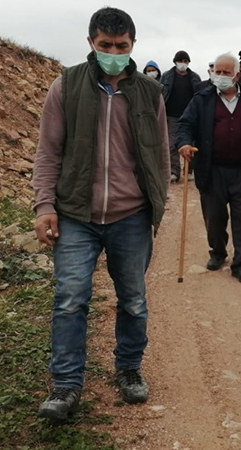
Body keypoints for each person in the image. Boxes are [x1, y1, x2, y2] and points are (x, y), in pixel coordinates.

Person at [33, 7, 170, 420]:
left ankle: (129, 370)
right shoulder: (67, 85)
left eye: (122, 46)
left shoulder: (149, 92)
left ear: (132, 45)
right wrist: (44, 206)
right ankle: (66, 385)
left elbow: (159, 154)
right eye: (106, 46)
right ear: (91, 42)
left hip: (130, 215)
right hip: (76, 214)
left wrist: (156, 205)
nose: (114, 53)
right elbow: (48, 151)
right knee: (70, 300)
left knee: (132, 301)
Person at [176, 53, 241, 285]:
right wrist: (184, 143)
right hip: (211, 169)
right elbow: (185, 124)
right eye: (217, 71)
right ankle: (217, 253)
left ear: (237, 75)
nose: (221, 76)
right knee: (214, 219)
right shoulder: (202, 98)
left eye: (226, 72)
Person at [161, 50, 201, 182]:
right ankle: (174, 171)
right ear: (175, 62)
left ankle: (189, 170)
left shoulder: (195, 78)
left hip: (190, 116)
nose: (183, 64)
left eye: (185, 61)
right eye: (180, 61)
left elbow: (199, 96)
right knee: (172, 144)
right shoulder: (166, 76)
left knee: (190, 143)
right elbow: (160, 95)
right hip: (171, 115)